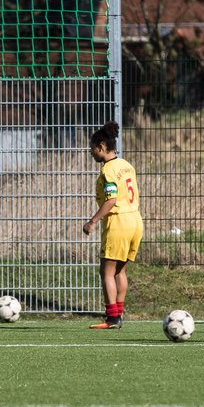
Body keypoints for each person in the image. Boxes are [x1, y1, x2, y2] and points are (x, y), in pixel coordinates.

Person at [82, 121, 141, 329]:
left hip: (118, 222)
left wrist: (92, 221)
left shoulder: (108, 170)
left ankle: (112, 318)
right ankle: (119, 314)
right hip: (135, 220)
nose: (90, 153)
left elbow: (111, 200)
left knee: (106, 273)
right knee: (119, 272)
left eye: (91, 148)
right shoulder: (126, 165)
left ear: (101, 146)